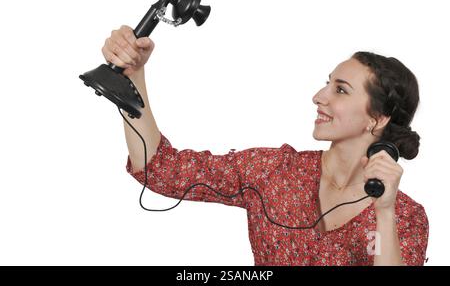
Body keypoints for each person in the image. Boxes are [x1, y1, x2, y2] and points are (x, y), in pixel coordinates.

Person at [103, 25, 429, 266]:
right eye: (327, 83)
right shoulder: (273, 170)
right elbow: (162, 170)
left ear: (378, 117)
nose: (319, 96)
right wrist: (133, 78)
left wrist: (383, 212)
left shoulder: (404, 216)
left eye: (340, 90)